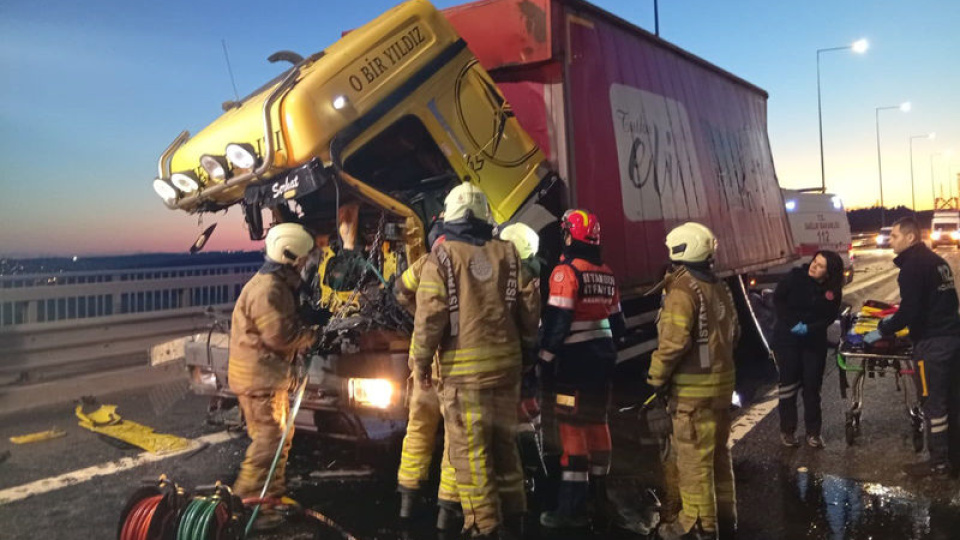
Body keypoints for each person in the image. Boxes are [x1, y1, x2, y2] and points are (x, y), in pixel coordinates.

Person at [409, 183, 540, 539]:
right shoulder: (509, 253)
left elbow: (429, 317)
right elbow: (529, 309)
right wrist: (528, 352)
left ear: (450, 216)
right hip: (507, 371)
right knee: (505, 446)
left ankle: (485, 527)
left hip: (465, 380)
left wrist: (420, 364)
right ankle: (516, 517)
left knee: (472, 455)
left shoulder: (442, 258)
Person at [648, 222, 739, 540]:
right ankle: (726, 519)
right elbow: (735, 335)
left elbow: (672, 344)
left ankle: (699, 526)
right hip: (721, 389)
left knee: (694, 465)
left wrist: (655, 379)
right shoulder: (721, 287)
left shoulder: (682, 290)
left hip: (692, 396)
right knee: (719, 459)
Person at [536, 210, 624, 530]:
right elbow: (618, 324)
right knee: (598, 424)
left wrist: (544, 360)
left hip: (573, 368)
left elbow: (558, 323)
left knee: (571, 429)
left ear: (570, 236)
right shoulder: (607, 273)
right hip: (602, 365)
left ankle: (570, 509)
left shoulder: (566, 272)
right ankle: (600, 498)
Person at [228, 222, 319, 529]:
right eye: (303, 258)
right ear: (290, 256)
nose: (305, 263)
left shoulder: (275, 284)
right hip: (259, 380)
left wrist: (305, 317)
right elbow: (280, 336)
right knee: (267, 444)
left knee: (279, 439)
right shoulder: (269, 289)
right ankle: (245, 507)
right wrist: (313, 334)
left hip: (266, 378)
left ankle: (270, 500)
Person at [865, 216, 960, 477]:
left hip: (932, 347)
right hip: (952, 339)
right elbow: (948, 302)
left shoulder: (912, 267)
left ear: (910, 237)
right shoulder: (937, 262)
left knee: (933, 404)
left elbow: (909, 311)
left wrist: (883, 329)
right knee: (953, 401)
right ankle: (954, 459)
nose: (890, 241)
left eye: (894, 236)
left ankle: (938, 463)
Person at [394, 222, 464, 536]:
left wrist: (417, 312)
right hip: (451, 362)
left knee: (418, 431)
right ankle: (446, 513)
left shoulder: (425, 262)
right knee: (454, 437)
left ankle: (407, 502)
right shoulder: (465, 264)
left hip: (423, 361)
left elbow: (399, 290)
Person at [772, 250, 844, 449]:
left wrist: (809, 329)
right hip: (788, 339)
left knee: (812, 387)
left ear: (829, 273)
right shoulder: (795, 278)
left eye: (820, 266)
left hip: (813, 342)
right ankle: (787, 430)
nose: (814, 266)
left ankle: (813, 432)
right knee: (788, 386)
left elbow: (829, 317)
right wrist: (792, 324)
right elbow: (778, 300)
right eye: (814, 261)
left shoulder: (832, 291)